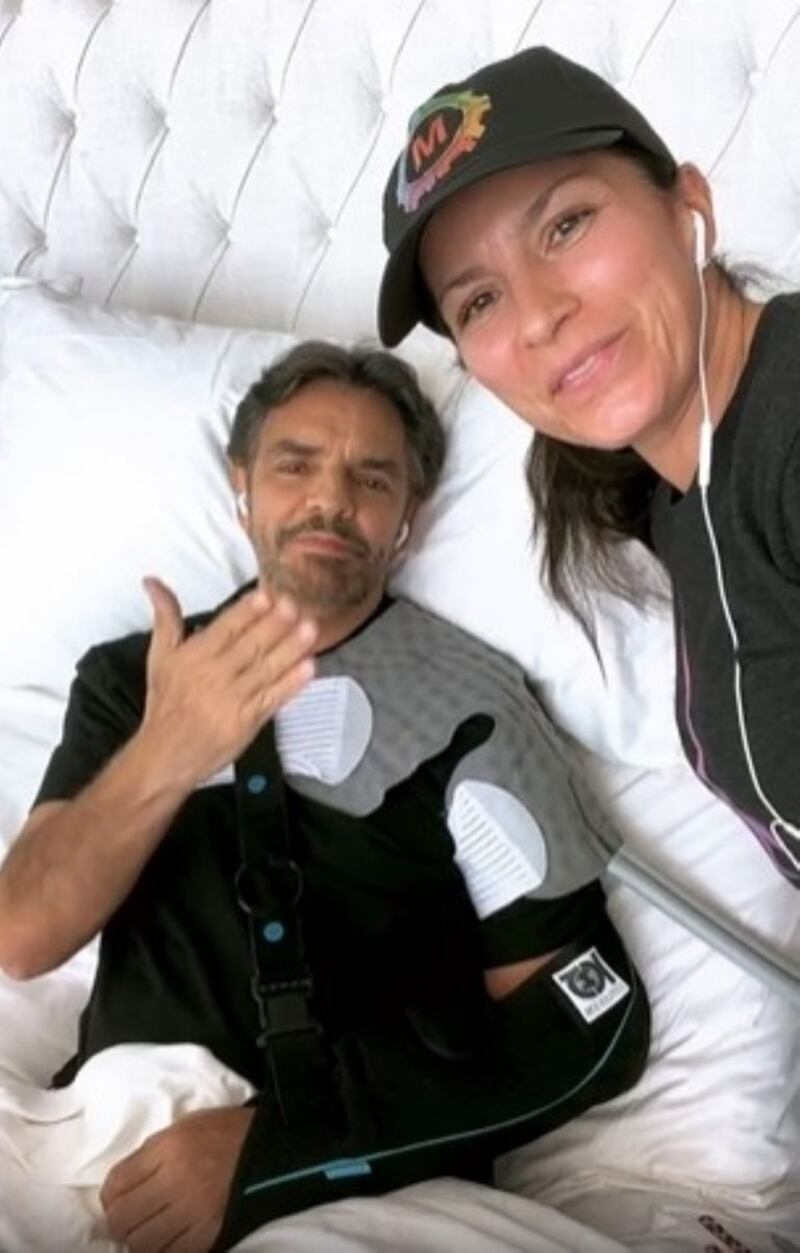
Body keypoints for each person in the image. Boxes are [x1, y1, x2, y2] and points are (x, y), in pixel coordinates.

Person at [0, 342, 648, 1253]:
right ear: (242, 486)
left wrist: (287, 1151)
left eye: (372, 479)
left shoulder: (470, 710)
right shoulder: (129, 682)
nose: (331, 499)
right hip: (103, 1147)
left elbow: (590, 1020)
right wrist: (168, 750)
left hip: (346, 1183)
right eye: (295, 465)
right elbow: (22, 935)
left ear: (408, 519)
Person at [377, 45, 800, 889]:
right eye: (479, 301)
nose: (538, 316)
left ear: (687, 206)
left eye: (565, 226)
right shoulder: (673, 493)